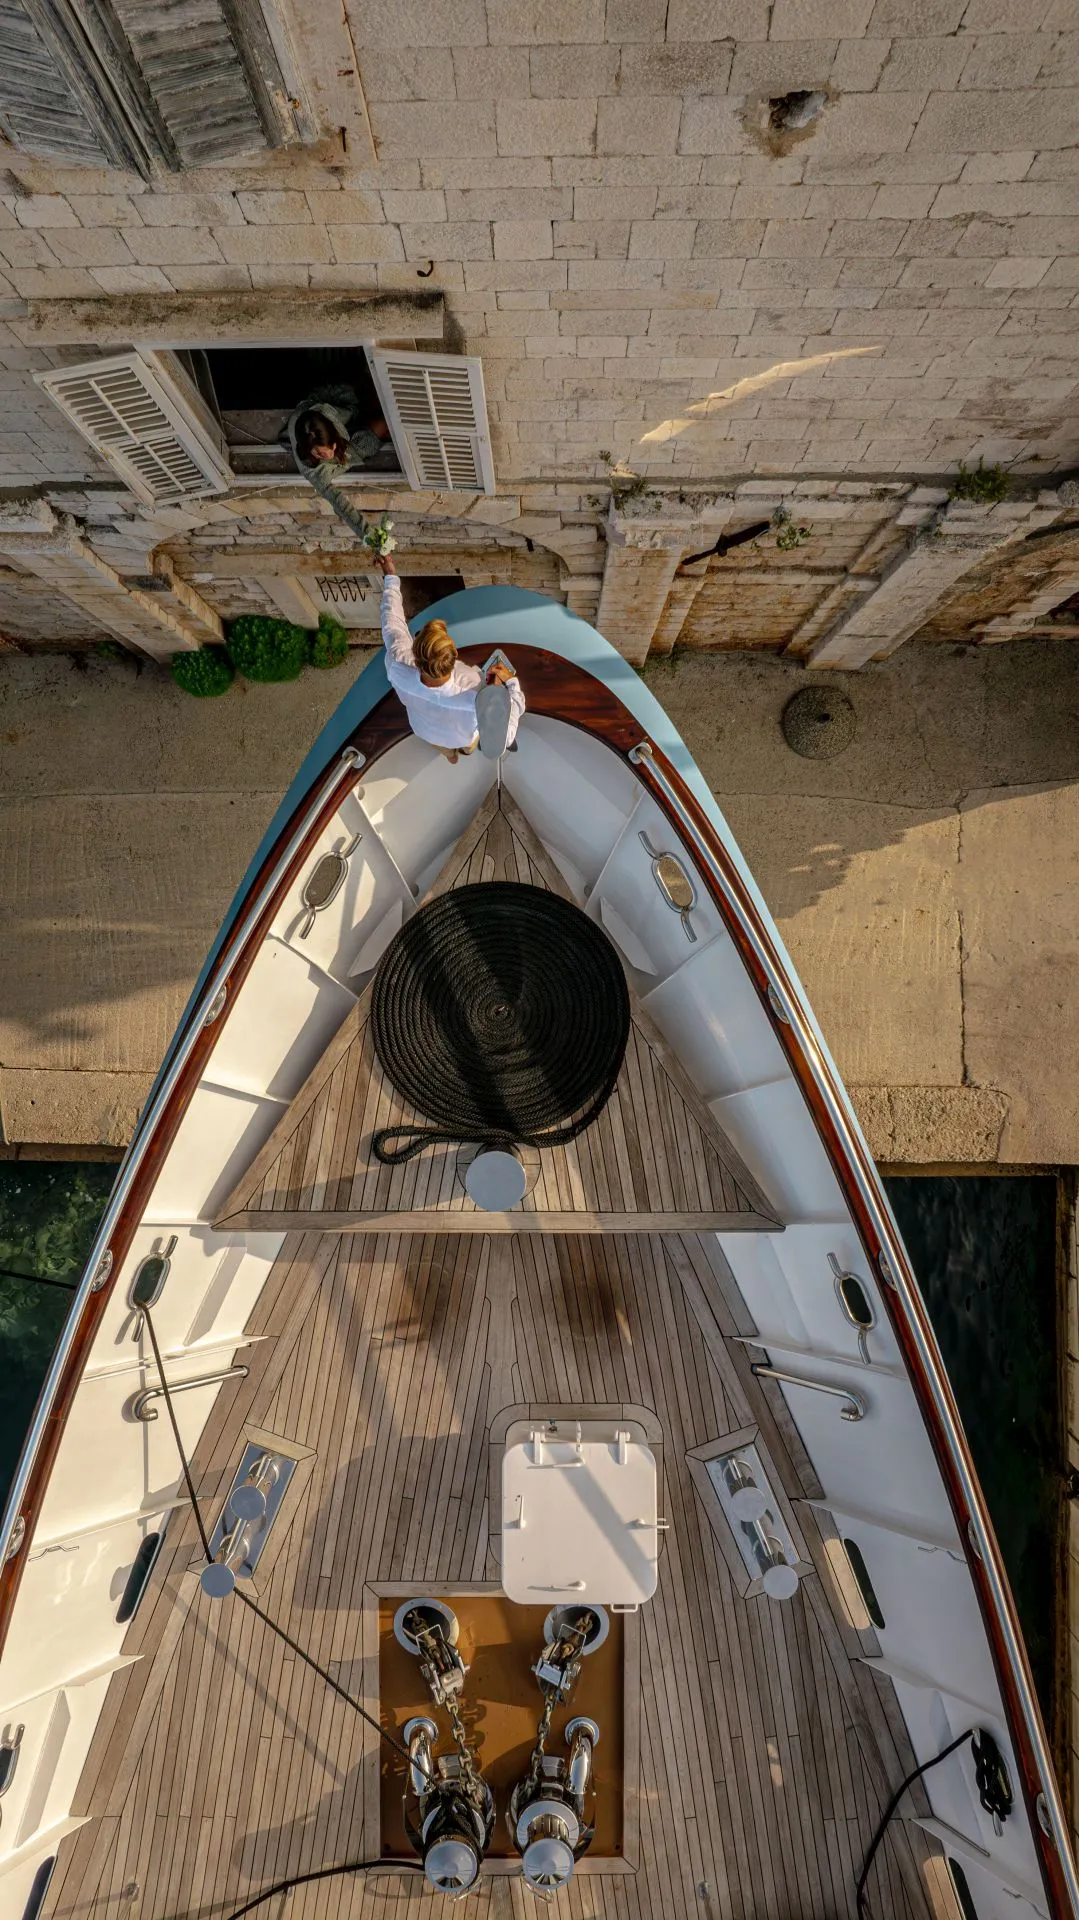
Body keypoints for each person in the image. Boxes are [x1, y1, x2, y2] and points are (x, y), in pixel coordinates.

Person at [375, 553, 524, 763]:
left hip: (424, 729)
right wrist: (512, 683)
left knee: (443, 746)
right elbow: (505, 737)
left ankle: (450, 757)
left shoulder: (397, 665)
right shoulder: (474, 686)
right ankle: (460, 753)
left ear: (416, 654)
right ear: (454, 655)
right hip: (460, 736)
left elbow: (391, 621)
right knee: (467, 744)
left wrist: (390, 576)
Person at [285, 383, 399, 538]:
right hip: (346, 452)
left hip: (342, 430)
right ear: (309, 451)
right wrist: (370, 537)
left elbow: (350, 411)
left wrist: (358, 406)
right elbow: (341, 505)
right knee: (383, 426)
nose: (330, 454)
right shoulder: (315, 472)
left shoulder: (326, 414)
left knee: (373, 399)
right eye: (321, 454)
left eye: (330, 448)